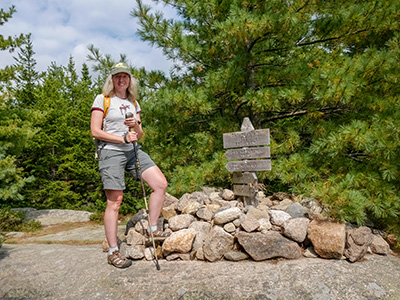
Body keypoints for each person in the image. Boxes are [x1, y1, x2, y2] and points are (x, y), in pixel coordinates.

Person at [91, 62, 170, 268]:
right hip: (110, 152)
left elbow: (140, 134)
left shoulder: (134, 103)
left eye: (125, 76)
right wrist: (122, 139)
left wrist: (134, 125)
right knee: (115, 201)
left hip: (133, 150)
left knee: (160, 184)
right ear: (112, 79)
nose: (121, 80)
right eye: (117, 76)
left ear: (129, 80)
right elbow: (95, 131)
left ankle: (153, 229)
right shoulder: (103, 99)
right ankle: (113, 251)